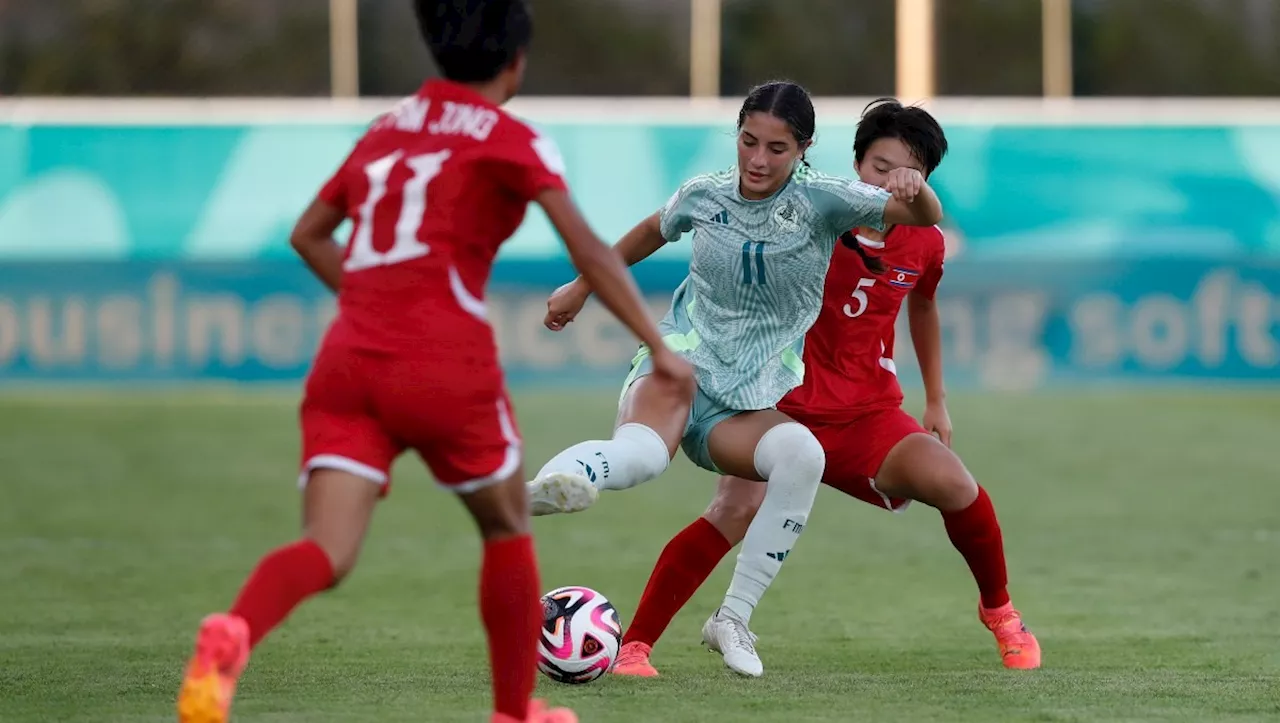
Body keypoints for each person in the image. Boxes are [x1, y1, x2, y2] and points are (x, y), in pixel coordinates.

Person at [174, 2, 692, 722]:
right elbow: (588, 250)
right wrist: (660, 348)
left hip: (349, 357)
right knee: (507, 525)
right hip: (444, 362)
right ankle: (516, 711)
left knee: (326, 547)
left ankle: (233, 629)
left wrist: (372, 298)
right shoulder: (514, 138)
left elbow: (307, 234)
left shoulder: (386, 129)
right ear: (515, 63)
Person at [609, 98, 1042, 679]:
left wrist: (935, 397)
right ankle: (635, 647)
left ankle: (1002, 613)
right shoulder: (808, 216)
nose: (890, 182)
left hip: (867, 413)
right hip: (776, 402)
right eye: (879, 168)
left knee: (955, 483)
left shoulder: (925, 242)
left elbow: (924, 304)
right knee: (734, 507)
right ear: (855, 165)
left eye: (906, 173)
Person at [525, 83, 945, 675]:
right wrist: (582, 286)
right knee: (643, 455)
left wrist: (915, 188)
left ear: (803, 149)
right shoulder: (705, 193)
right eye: (748, 141)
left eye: (776, 148)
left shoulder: (827, 201)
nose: (757, 160)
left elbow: (926, 218)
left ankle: (733, 618)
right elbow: (650, 230)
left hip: (745, 399)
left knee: (802, 454)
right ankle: (555, 483)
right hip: (679, 364)